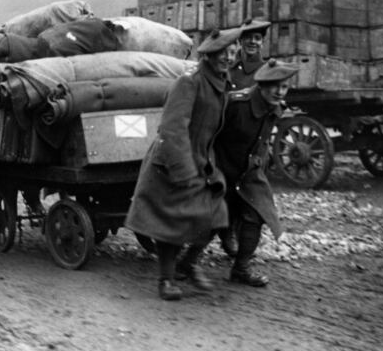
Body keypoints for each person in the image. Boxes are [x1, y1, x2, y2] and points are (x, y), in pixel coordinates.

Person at [125, 27, 241, 301]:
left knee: (217, 215)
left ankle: (187, 264)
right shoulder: (189, 82)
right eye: (222, 52)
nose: (228, 57)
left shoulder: (222, 83)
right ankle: (166, 279)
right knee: (171, 222)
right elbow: (172, 128)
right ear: (209, 55)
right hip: (171, 162)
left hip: (200, 161)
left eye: (232, 51)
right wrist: (184, 171)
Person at [215, 58, 299, 287]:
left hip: (248, 172)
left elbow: (262, 139)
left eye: (284, 87)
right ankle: (187, 263)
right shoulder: (235, 104)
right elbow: (211, 133)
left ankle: (240, 269)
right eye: (275, 87)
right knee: (210, 219)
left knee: (256, 214)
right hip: (222, 168)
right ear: (261, 86)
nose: (280, 92)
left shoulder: (276, 108)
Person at [229, 19, 271, 90]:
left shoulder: (266, 71)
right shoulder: (227, 65)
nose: (252, 41)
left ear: (262, 43)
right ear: (240, 40)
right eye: (248, 37)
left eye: (257, 38)